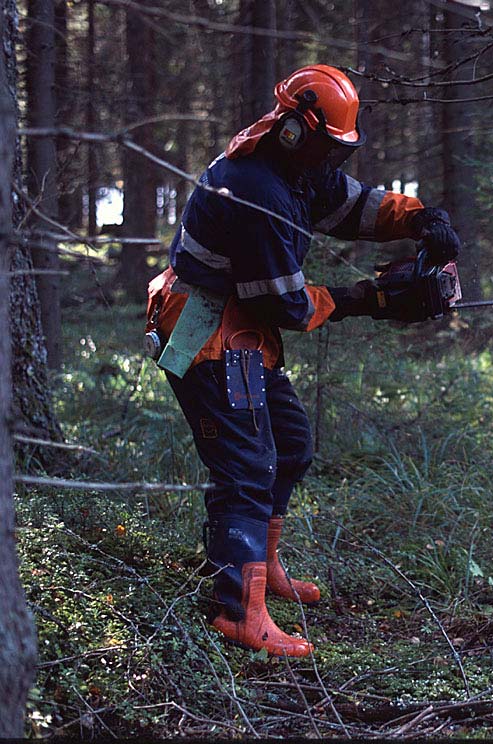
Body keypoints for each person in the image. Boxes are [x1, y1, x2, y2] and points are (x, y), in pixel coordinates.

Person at [144, 65, 461, 657]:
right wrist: (374, 298)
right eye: (325, 146)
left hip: (242, 328)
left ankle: (265, 567)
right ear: (296, 129)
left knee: (289, 445)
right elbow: (284, 302)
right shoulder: (257, 190)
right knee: (247, 466)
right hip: (207, 332)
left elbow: (353, 205)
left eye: (337, 149)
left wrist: (421, 219)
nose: (331, 160)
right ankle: (240, 607)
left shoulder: (297, 164)